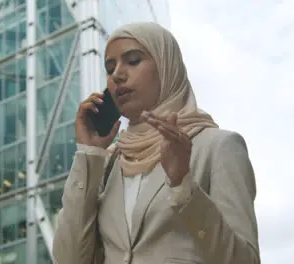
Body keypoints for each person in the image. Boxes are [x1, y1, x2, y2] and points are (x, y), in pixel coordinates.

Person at [52, 22, 260, 264]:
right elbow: (68, 260)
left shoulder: (218, 147)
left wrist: (183, 185)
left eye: (133, 61)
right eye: (110, 69)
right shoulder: (109, 165)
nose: (117, 74)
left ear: (166, 66)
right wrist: (90, 154)